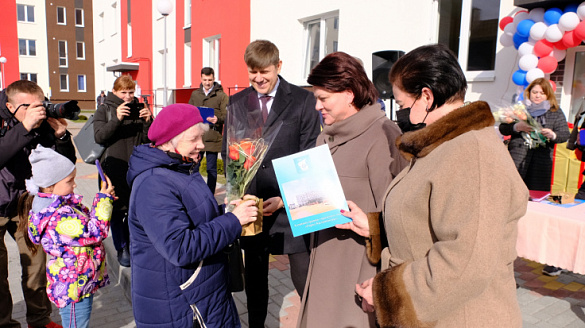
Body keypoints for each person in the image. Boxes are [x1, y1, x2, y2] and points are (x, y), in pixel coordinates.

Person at [339, 44, 528, 327]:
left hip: (462, 317)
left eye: (403, 105)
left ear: (426, 96)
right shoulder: (447, 145)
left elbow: (468, 261)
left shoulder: (472, 154)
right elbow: (430, 219)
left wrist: (386, 295)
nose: (404, 115)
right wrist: (376, 227)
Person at [297, 52, 407, 328]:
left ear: (348, 93)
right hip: (322, 259)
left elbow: (400, 217)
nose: (317, 107)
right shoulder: (325, 135)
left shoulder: (383, 134)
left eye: (323, 99)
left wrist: (383, 283)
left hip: (358, 273)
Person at [126, 103, 258, 327]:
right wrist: (233, 221)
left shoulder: (182, 168)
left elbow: (196, 220)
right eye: (194, 139)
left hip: (202, 293)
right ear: (170, 140)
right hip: (180, 305)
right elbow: (180, 247)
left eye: (202, 137)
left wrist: (227, 212)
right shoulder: (153, 184)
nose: (201, 145)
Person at [221, 40, 321, 328]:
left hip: (292, 206)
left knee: (304, 276)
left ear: (279, 66)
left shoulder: (302, 101)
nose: (258, 78)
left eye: (264, 71)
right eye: (253, 72)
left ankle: (313, 321)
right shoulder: (237, 103)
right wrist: (237, 197)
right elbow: (231, 157)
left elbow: (308, 157)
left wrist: (285, 198)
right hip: (252, 208)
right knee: (255, 279)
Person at [18, 145, 115, 328]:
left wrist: (102, 199)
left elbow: (86, 224)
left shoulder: (60, 205)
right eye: (70, 181)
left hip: (78, 282)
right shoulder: (59, 217)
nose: (75, 184)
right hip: (73, 289)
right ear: (51, 185)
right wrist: (103, 201)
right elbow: (95, 231)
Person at [0, 80, 71, 328]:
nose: (36, 112)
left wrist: (61, 136)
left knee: (36, 267)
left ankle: (40, 320)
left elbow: (64, 164)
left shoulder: (41, 125)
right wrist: (24, 128)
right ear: (10, 106)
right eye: (28, 107)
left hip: (25, 204)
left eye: (39, 106)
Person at [93, 75, 152, 267]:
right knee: (118, 211)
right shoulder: (104, 109)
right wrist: (117, 119)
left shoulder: (139, 107)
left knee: (135, 208)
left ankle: (136, 244)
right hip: (113, 168)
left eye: (131, 92)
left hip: (136, 166)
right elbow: (100, 137)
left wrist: (147, 121)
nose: (128, 96)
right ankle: (122, 247)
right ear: (115, 91)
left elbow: (148, 140)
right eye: (123, 92)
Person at [500, 78, 570, 194]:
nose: (538, 96)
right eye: (535, 92)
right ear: (529, 92)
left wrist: (552, 134)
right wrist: (517, 127)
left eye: (542, 93)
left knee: (536, 196)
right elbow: (503, 128)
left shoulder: (555, 111)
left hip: (541, 162)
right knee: (512, 193)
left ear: (548, 94)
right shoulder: (519, 108)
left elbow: (564, 134)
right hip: (517, 158)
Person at [188, 67, 228, 194]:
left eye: (210, 80)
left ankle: (210, 194)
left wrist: (218, 119)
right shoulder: (195, 94)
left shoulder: (221, 96)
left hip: (213, 137)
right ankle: (196, 192)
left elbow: (227, 115)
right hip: (197, 137)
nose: (207, 82)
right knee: (195, 167)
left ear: (214, 78)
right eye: (205, 80)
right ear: (201, 79)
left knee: (211, 169)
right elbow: (189, 112)